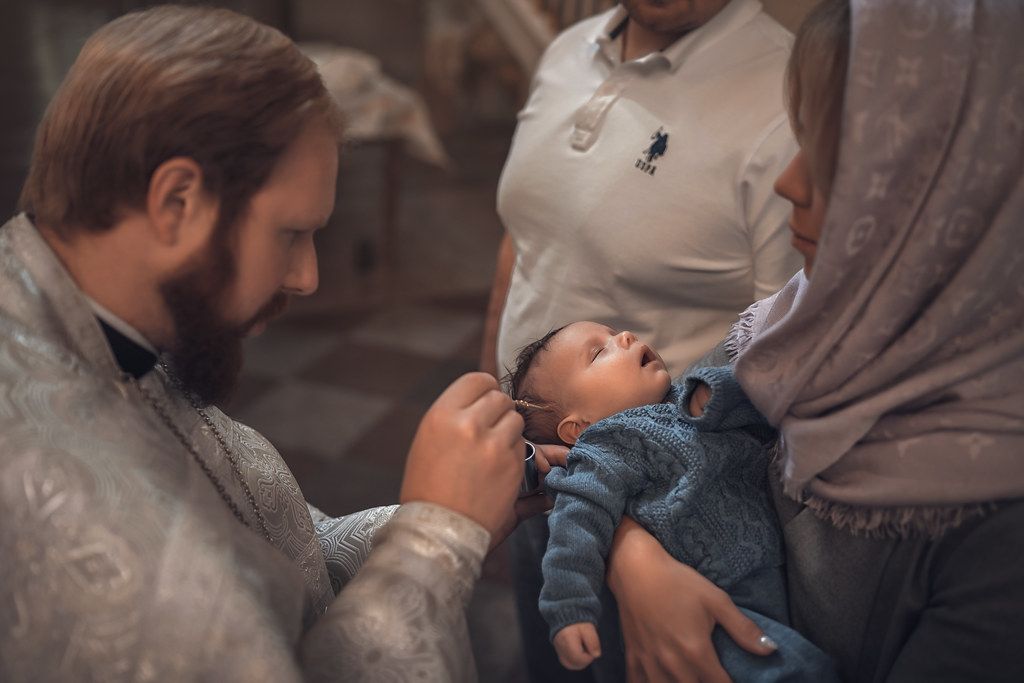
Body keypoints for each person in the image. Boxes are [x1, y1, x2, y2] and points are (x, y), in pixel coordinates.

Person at [0, 6, 563, 681]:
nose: (308, 276)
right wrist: (433, 539)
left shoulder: (75, 313)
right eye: (291, 234)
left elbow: (263, 561)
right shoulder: (118, 554)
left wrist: (453, 511)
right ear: (176, 202)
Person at [603, 1, 1024, 681]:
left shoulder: (1001, 535)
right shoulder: (797, 326)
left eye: (840, 163)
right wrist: (636, 561)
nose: (788, 182)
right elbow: (627, 448)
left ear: (962, 191)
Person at [484, 4, 804, 677]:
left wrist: (629, 540)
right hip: (532, 476)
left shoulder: (786, 94)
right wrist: (496, 409)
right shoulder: (570, 49)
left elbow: (791, 351)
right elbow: (527, 240)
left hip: (667, 533)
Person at [504, 321, 837, 680]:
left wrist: (717, 393)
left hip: (774, 565)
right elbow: (572, 534)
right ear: (578, 428)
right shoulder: (603, 451)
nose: (626, 337)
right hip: (703, 591)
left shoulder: (687, 399)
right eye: (600, 352)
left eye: (615, 332)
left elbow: (763, 404)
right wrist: (569, 611)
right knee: (798, 671)